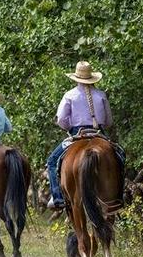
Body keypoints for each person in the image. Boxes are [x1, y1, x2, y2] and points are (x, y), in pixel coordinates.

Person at [46, 61, 113, 209]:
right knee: (119, 156)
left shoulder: (69, 95)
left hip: (77, 133)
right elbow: (109, 121)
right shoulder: (101, 95)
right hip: (99, 133)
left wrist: (69, 128)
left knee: (51, 162)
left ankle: (58, 198)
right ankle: (117, 197)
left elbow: (61, 120)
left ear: (76, 78)